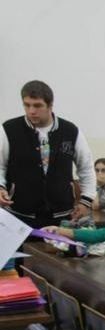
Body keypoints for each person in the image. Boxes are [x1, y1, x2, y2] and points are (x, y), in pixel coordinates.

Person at [0, 80, 95, 228]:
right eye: (27, 105)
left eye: (37, 105)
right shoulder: (9, 129)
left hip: (61, 217)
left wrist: (86, 200)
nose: (31, 111)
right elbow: (0, 166)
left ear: (50, 105)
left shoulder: (70, 131)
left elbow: (86, 167)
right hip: (19, 216)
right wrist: (0, 188)